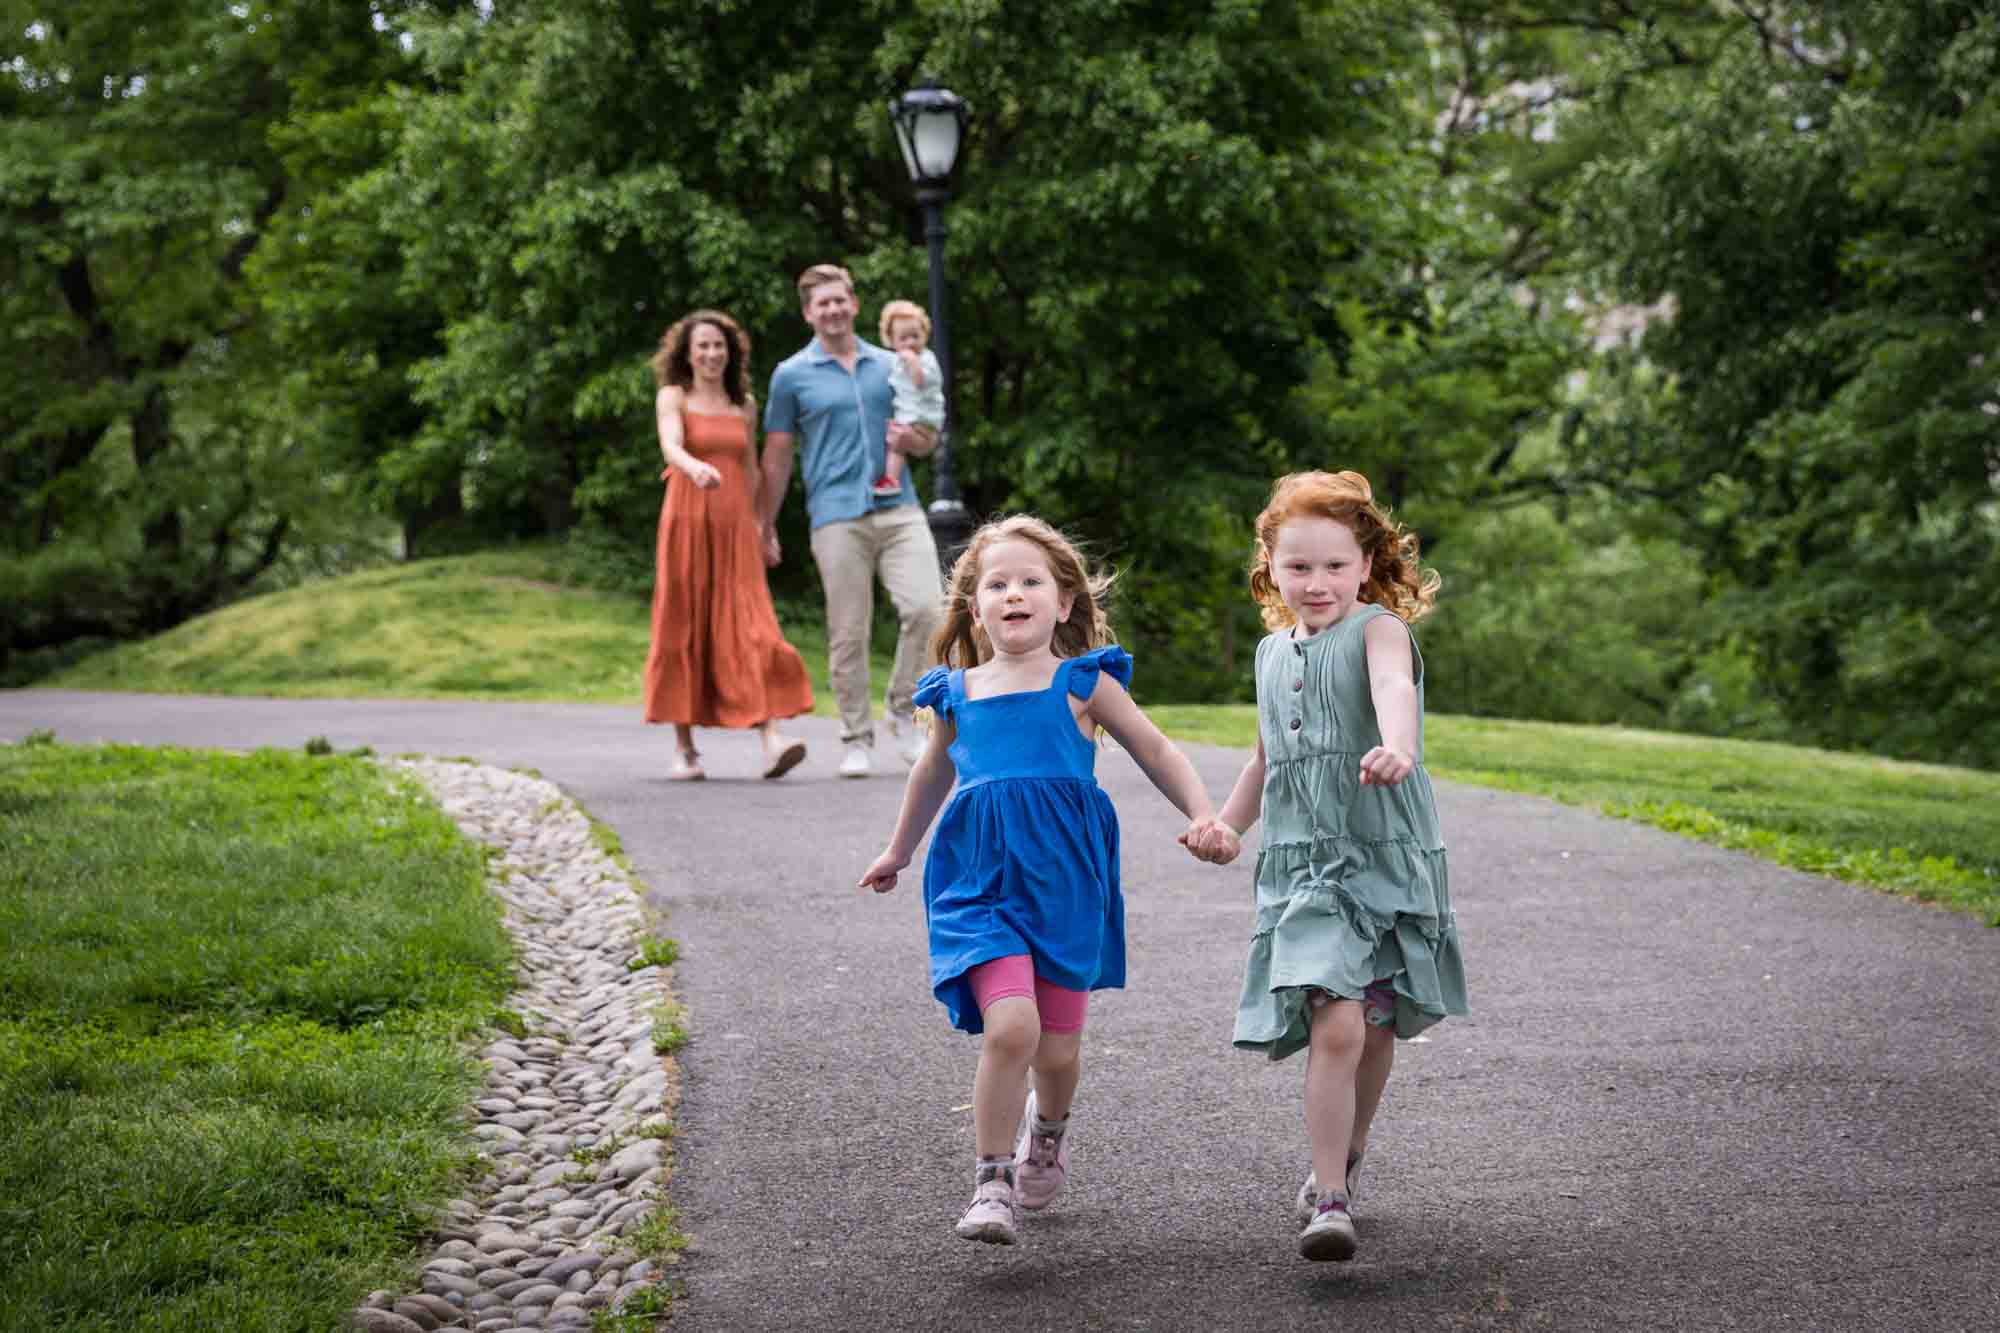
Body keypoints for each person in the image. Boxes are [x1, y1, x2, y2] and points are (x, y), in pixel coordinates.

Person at [858, 515, 1230, 1246]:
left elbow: (1155, 747)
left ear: (1064, 603)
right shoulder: (954, 692)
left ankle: (1047, 1131)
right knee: (1013, 1026)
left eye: (1032, 581)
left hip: (1064, 885)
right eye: (997, 583)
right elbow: (931, 771)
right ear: (975, 609)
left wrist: (1203, 812)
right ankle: (990, 1179)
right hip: (977, 881)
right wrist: (899, 849)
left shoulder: (1082, 683)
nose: (1014, 593)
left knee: (1057, 1053)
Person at [1185, 470, 1470, 1263]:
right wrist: (1227, 826)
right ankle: (1332, 1201)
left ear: (1367, 563)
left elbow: (1392, 688)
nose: (1317, 582)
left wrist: (1400, 745)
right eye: (1299, 565)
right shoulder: (1271, 652)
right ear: (1269, 564)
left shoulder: (1378, 630)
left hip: (1382, 852)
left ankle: (1346, 1149)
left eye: (1336, 565)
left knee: (1374, 1029)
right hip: (1307, 865)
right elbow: (1268, 757)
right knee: (1335, 1021)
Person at [762, 265, 942, 779]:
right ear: (808, 312)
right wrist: (765, 524)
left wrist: (918, 442)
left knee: (930, 608)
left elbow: (926, 429)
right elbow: (775, 456)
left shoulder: (890, 364)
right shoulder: (791, 375)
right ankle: (855, 737)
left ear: (855, 305)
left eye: (841, 300)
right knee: (848, 631)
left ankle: (904, 712)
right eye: (823, 303)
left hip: (899, 507)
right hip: (836, 515)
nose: (834, 310)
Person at [643, 309, 813, 781]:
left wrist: (766, 527)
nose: (712, 354)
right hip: (687, 523)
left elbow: (755, 471)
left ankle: (771, 739)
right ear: (687, 352)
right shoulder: (673, 395)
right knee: (684, 622)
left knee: (754, 624)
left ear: (730, 352)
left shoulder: (744, 404)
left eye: (719, 346)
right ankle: (684, 749)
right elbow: (670, 444)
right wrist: (691, 467)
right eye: (703, 346)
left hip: (737, 527)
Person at [870, 299, 946, 498]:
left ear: (924, 334)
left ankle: (891, 480)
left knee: (896, 441)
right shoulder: (895, 361)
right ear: (892, 342)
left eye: (915, 336)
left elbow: (920, 382)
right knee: (895, 446)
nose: (911, 342)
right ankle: (892, 480)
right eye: (904, 338)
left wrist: (913, 363)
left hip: (923, 418)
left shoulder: (926, 358)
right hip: (909, 417)